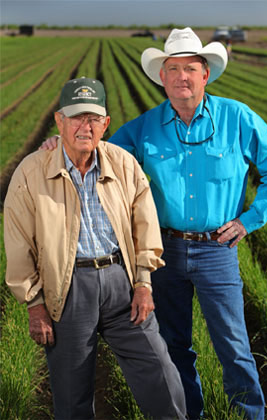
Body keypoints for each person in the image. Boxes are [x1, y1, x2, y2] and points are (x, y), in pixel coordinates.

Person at [40, 28, 267, 420]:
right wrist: (58, 142)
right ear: (162, 76)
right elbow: (98, 152)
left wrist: (251, 219)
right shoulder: (144, 127)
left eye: (190, 68)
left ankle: (249, 414)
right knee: (173, 347)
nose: (181, 76)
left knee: (233, 345)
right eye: (173, 69)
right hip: (163, 254)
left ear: (205, 75)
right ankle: (190, 414)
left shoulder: (237, 118)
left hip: (218, 249)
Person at [4, 77, 187, 420]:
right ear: (59, 121)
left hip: (123, 283)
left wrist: (144, 282)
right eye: (75, 117)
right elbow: (18, 242)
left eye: (92, 118)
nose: (84, 126)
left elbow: (144, 225)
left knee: (161, 374)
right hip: (68, 290)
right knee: (72, 396)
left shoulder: (123, 163)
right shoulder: (31, 172)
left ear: (105, 124)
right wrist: (35, 304)